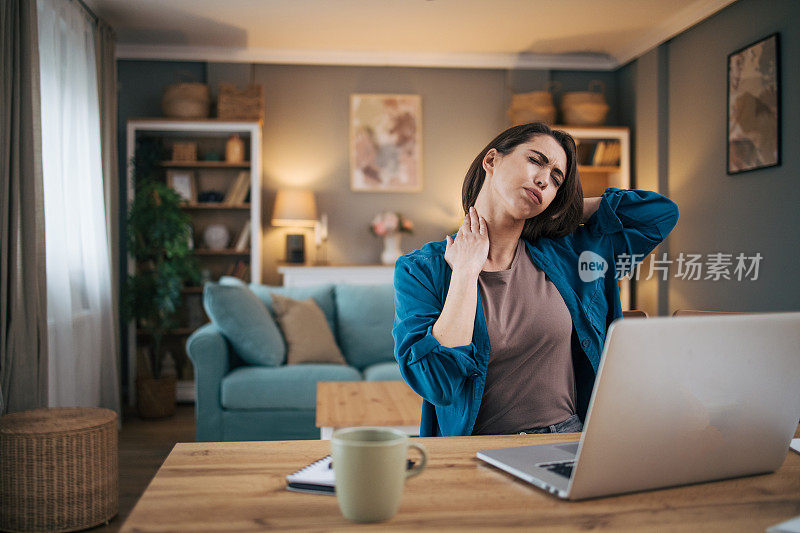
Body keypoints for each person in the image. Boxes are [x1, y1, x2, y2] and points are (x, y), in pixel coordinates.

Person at [392, 122, 679, 437]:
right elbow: (437, 384)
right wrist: (464, 273)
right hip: (478, 451)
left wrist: (563, 211)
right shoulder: (421, 269)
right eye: (536, 161)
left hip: (570, 441)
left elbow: (659, 214)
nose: (544, 179)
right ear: (491, 161)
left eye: (556, 180)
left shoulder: (571, 254)